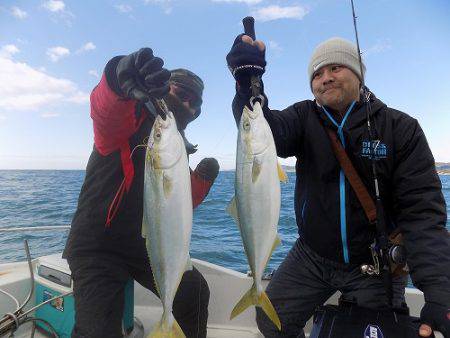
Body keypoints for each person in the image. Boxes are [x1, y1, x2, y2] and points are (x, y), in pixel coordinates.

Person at [226, 35, 450, 337]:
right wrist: (246, 83)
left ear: (358, 74)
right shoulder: (304, 117)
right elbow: (263, 129)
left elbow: (423, 214)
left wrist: (440, 290)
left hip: (374, 264)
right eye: (317, 74)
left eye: (335, 68)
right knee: (271, 320)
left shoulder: (400, 128)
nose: (325, 78)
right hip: (311, 255)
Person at [63, 48, 219, 338]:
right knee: (96, 332)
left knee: (194, 291)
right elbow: (104, 110)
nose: (188, 104)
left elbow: (178, 202)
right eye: (182, 92)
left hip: (145, 245)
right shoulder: (128, 117)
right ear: (162, 87)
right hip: (97, 246)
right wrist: (118, 76)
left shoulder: (176, 144)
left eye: (195, 102)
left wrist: (203, 182)